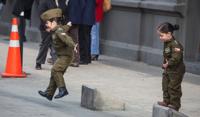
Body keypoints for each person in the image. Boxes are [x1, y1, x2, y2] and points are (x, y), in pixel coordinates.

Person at [38, 8, 77, 101]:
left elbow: (67, 39)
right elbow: (63, 28)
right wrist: (68, 25)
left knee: (55, 70)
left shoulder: (58, 31)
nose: (46, 26)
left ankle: (62, 89)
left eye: (47, 23)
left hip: (66, 56)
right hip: (62, 55)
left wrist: (73, 45)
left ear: (54, 22)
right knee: (54, 73)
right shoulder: (56, 30)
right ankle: (49, 93)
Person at [156, 22, 185, 111]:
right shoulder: (167, 42)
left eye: (161, 35)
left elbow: (176, 58)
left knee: (173, 87)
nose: (160, 38)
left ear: (169, 34)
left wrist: (168, 64)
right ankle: (166, 101)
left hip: (176, 70)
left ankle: (175, 104)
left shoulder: (175, 44)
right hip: (168, 69)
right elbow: (167, 56)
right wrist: (165, 64)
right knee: (165, 85)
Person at [35, 0, 68, 70]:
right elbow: (41, 14)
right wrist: (47, 26)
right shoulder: (45, 1)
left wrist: (63, 24)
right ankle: (39, 62)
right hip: (46, 27)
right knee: (45, 44)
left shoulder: (61, 1)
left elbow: (65, 13)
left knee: (55, 44)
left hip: (57, 26)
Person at [78, 0, 96, 64]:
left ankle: (84, 58)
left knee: (83, 38)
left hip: (84, 18)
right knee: (87, 37)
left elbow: (81, 5)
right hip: (89, 17)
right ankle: (87, 57)